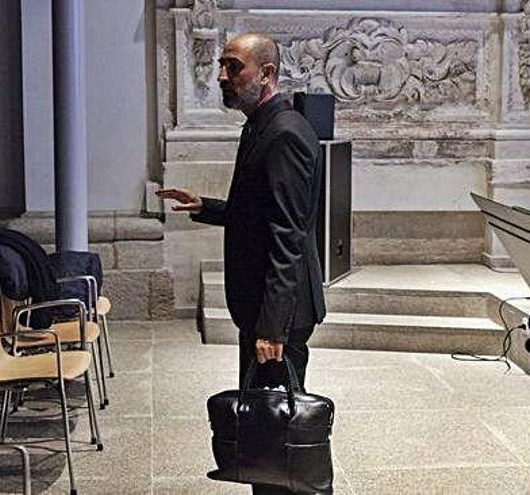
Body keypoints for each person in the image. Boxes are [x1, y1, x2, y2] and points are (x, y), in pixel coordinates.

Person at [157, 32, 326, 494]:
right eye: (222, 66)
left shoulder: (285, 133)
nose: (222, 77)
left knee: (278, 436)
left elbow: (288, 236)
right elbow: (260, 214)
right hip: (265, 306)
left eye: (234, 67)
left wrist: (272, 326)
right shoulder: (260, 125)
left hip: (280, 311)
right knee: (264, 434)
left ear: (266, 74)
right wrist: (205, 207)